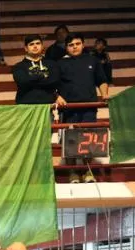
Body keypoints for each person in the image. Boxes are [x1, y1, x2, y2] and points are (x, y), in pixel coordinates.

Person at [57, 33, 110, 183]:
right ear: (66, 47)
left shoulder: (93, 60)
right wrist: (57, 97)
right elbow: (53, 85)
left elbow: (102, 80)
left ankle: (87, 171)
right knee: (71, 140)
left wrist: (104, 94)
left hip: (89, 107)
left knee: (89, 139)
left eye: (77, 44)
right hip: (69, 109)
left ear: (83, 44)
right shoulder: (60, 64)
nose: (75, 47)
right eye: (71, 45)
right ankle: (72, 172)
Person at [12, 35, 60, 105]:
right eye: (31, 44)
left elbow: (54, 81)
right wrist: (44, 76)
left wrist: (32, 78)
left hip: (48, 105)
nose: (35, 46)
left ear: (42, 46)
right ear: (26, 48)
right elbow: (23, 82)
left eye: (38, 43)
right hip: (26, 106)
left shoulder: (52, 64)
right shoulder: (18, 67)